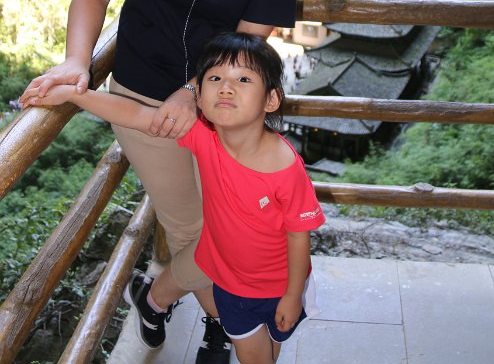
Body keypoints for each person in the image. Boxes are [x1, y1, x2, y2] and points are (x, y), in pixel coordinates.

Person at [20, 0, 298, 363]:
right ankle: (232, 329)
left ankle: (156, 298)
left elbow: (249, 41)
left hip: (227, 107)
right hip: (143, 99)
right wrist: (76, 62)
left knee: (239, 229)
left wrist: (194, 91)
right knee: (196, 229)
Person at [21, 32, 325, 364]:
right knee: (255, 357)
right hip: (232, 286)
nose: (226, 87)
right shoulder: (204, 138)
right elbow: (136, 115)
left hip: (281, 285)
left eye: (243, 79)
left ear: (271, 100)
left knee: (271, 351)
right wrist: (74, 95)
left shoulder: (284, 168)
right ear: (199, 96)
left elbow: (299, 235)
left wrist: (292, 295)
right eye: (215, 78)